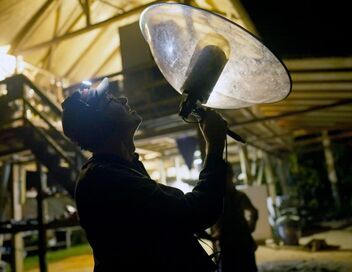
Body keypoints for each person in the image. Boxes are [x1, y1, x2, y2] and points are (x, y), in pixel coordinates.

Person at [61, 78, 228, 272]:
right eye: (111, 100)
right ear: (100, 121)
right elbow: (196, 211)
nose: (123, 99)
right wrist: (214, 146)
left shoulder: (121, 168)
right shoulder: (104, 179)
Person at [214, 163, 259, 272]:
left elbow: (254, 212)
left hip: (242, 241)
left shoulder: (238, 196)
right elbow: (254, 212)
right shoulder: (218, 199)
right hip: (228, 243)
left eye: (228, 174)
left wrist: (251, 226)